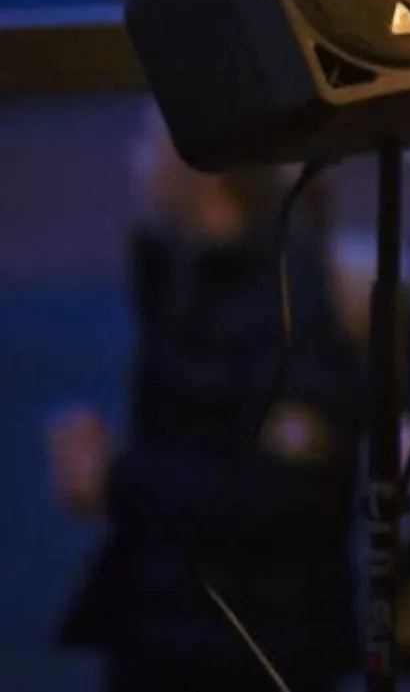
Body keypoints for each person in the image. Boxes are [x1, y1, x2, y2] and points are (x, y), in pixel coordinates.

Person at [49, 112, 367, 692]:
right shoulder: (180, 274)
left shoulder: (294, 301)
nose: (135, 158)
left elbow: (289, 495)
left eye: (150, 140)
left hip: (249, 645)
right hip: (169, 626)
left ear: (198, 164)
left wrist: (115, 476)